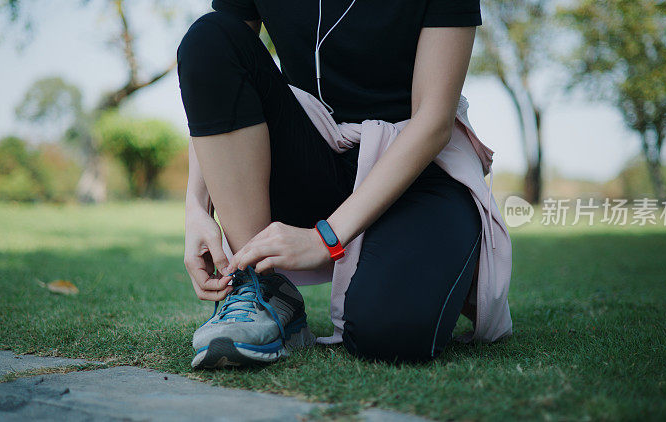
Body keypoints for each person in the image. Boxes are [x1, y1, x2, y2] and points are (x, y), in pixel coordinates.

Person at [177, 0, 492, 368]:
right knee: (206, 34)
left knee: (390, 334)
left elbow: (433, 120)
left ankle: (431, 259)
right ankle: (260, 288)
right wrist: (196, 208)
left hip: (417, 171)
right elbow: (218, 68)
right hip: (310, 153)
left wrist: (325, 238)